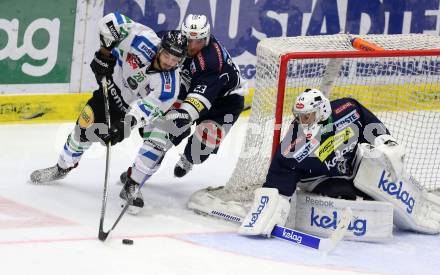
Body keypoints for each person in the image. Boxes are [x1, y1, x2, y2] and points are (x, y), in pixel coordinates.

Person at [30, 13, 188, 213]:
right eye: (167, 55)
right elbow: (110, 21)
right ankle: (62, 167)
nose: (169, 62)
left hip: (133, 110)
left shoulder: (170, 87)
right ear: (160, 49)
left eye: (175, 59)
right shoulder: (142, 38)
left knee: (158, 140)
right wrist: (104, 53)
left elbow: (146, 110)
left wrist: (123, 127)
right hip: (111, 89)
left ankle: (132, 184)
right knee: (83, 130)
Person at [238, 88, 440, 238]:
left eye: (307, 116)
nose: (302, 122)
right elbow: (279, 177)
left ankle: (417, 204)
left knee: (383, 172)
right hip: (321, 180)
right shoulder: (293, 145)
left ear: (322, 111)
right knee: (347, 196)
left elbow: (367, 121)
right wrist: (272, 206)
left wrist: (384, 141)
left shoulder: (348, 110)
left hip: (352, 166)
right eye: (298, 117)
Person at [118, 14, 247, 185]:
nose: (193, 46)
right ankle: (137, 175)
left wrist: (183, 116)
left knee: (202, 146)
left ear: (206, 37)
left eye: (199, 41)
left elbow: (200, 98)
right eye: (189, 39)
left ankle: (189, 159)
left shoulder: (211, 60)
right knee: (163, 132)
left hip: (224, 102)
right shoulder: (171, 40)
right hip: (188, 92)